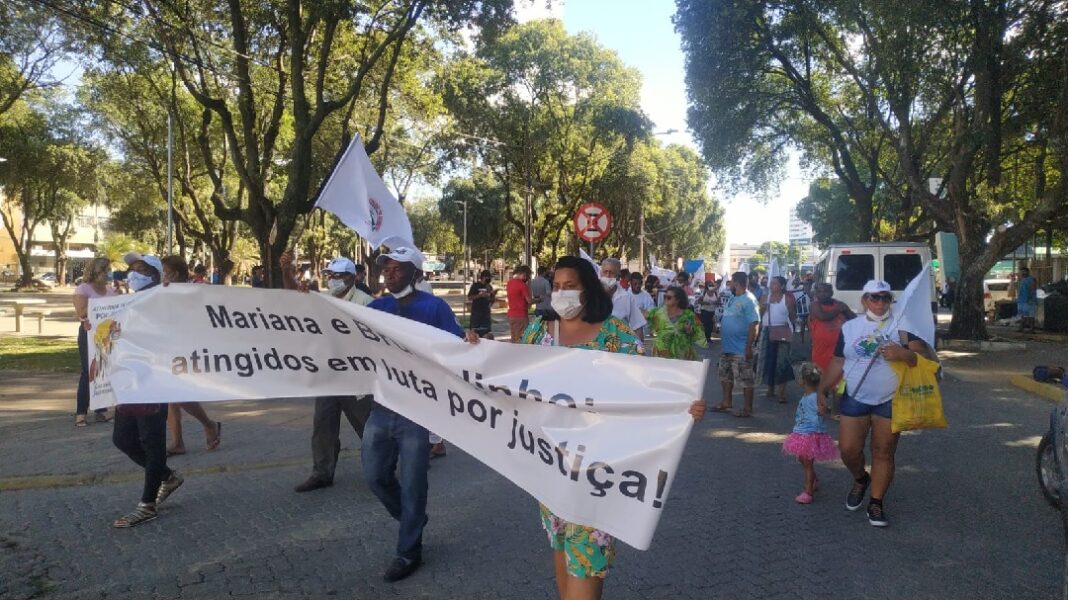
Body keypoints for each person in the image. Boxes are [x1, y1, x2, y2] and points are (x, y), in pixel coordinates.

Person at [516, 256, 705, 600]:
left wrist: (681, 407)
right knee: (560, 551)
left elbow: (646, 390)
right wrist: (473, 353)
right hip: (549, 470)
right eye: (556, 287)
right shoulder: (536, 334)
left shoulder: (616, 335)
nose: (561, 293)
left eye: (570, 286)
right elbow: (504, 381)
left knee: (585, 565)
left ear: (588, 289)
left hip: (600, 476)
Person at [363, 246, 475, 582]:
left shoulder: (435, 308)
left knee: (413, 484)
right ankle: (413, 519)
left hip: (418, 412)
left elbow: (455, 345)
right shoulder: (377, 307)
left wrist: (469, 341)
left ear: (416, 273)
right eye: (387, 269)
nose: (390, 274)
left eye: (398, 269)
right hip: (383, 406)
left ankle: (408, 551)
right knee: (375, 476)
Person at [818, 279, 931, 528]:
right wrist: (822, 389)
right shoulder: (850, 327)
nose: (880, 302)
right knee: (848, 450)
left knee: (883, 452)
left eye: (885, 298)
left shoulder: (902, 326)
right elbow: (838, 361)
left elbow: (924, 356)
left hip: (891, 400)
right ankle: (861, 478)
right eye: (874, 297)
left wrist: (904, 354)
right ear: (864, 300)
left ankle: (876, 502)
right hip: (855, 397)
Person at [282, 255, 376, 493]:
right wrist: (286, 271)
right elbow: (293, 298)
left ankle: (382, 467)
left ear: (352, 277)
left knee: (368, 426)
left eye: (338, 276)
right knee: (323, 424)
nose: (333, 280)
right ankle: (322, 472)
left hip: (356, 377)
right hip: (329, 375)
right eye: (330, 276)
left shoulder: (366, 302)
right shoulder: (323, 299)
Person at [111, 253, 183, 527]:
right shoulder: (128, 301)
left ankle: (147, 504)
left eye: (140, 269)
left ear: (155, 274)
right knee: (122, 439)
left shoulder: (164, 300)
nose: (133, 274)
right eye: (131, 269)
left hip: (153, 379)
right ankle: (167, 477)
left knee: (151, 442)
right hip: (129, 379)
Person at [159, 255, 223, 456]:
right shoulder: (164, 291)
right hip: (167, 345)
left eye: (165, 271)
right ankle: (178, 442)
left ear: (175, 273)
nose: (162, 275)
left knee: (177, 394)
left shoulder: (191, 291)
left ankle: (209, 424)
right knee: (171, 397)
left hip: (186, 346)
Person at [782, 363, 838, 504]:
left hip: (810, 434)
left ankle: (808, 491)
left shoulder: (814, 397)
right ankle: (812, 478)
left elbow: (824, 409)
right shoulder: (808, 396)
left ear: (802, 381)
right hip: (802, 432)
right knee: (803, 460)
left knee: (807, 462)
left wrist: (824, 411)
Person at [73, 257, 115, 427]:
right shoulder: (83, 289)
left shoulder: (111, 290)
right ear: (97, 271)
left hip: (107, 336)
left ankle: (101, 410)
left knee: (102, 370)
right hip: (89, 335)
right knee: (88, 371)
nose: (109, 273)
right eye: (107, 270)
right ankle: (81, 413)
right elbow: (81, 311)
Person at [712, 271, 760, 417]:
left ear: (737, 283)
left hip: (741, 348)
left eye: (731, 282)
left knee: (745, 379)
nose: (729, 284)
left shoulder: (749, 300)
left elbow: (754, 324)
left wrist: (749, 347)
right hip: (727, 347)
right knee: (725, 376)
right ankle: (726, 402)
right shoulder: (733, 298)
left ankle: (747, 408)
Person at [808, 283, 856, 415]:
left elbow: (854, 319)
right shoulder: (814, 305)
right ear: (816, 294)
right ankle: (820, 407)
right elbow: (823, 316)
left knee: (838, 382)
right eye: (820, 292)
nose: (823, 294)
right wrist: (839, 309)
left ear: (831, 292)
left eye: (826, 291)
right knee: (820, 380)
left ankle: (836, 411)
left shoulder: (840, 305)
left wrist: (845, 310)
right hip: (820, 351)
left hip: (838, 351)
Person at [756, 276, 797, 404]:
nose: (771, 286)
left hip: (782, 331)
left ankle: (782, 392)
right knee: (769, 360)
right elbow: (759, 314)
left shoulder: (788, 299)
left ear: (782, 286)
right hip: (767, 331)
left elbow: (792, 316)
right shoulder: (765, 298)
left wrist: (792, 331)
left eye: (774, 283)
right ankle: (770, 388)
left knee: (782, 361)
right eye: (771, 283)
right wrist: (763, 308)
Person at [646, 287, 707, 360]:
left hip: (681, 355)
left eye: (669, 297)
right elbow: (644, 316)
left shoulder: (688, 315)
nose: (665, 299)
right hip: (661, 354)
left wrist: (690, 331)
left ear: (677, 300)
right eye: (664, 297)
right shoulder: (658, 312)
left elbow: (699, 334)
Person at [599, 258, 647, 340]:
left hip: (619, 349)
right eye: (605, 272)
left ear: (618, 275)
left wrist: (640, 349)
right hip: (594, 350)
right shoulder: (590, 295)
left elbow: (638, 327)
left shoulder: (627, 298)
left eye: (611, 273)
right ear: (600, 273)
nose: (607, 275)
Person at [507, 265, 534, 342]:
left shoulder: (510, 283)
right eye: (528, 276)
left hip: (511, 315)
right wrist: (538, 300)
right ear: (524, 274)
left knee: (514, 338)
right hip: (521, 315)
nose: (528, 279)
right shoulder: (522, 285)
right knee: (522, 340)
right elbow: (529, 301)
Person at [468, 269, 497, 339]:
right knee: (475, 331)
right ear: (483, 277)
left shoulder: (489, 286)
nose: (489, 279)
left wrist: (491, 296)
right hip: (476, 312)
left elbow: (492, 299)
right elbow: (470, 297)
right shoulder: (475, 285)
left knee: (487, 333)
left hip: (486, 313)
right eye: (488, 277)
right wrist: (479, 296)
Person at [1017, 267, 1037, 332]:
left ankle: (1032, 329)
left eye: (1024, 272)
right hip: (1022, 301)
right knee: (1023, 315)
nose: (1023, 273)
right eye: (1022, 272)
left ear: (1028, 272)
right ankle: (1021, 328)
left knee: (1030, 316)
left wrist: (1029, 299)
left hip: (1029, 301)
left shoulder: (1031, 280)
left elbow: (1032, 290)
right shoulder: (1022, 280)